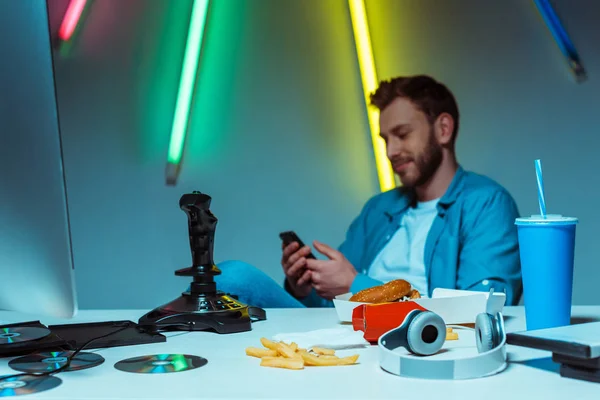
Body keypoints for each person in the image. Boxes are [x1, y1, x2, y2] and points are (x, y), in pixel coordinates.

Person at [214, 75, 522, 308]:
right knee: (227, 282)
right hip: (345, 334)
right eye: (385, 139)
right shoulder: (379, 208)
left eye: (402, 134)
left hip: (419, 340)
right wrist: (304, 288)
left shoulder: (487, 204)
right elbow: (332, 306)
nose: (391, 151)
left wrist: (356, 284)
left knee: (236, 276)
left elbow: (482, 309)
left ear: (443, 129)